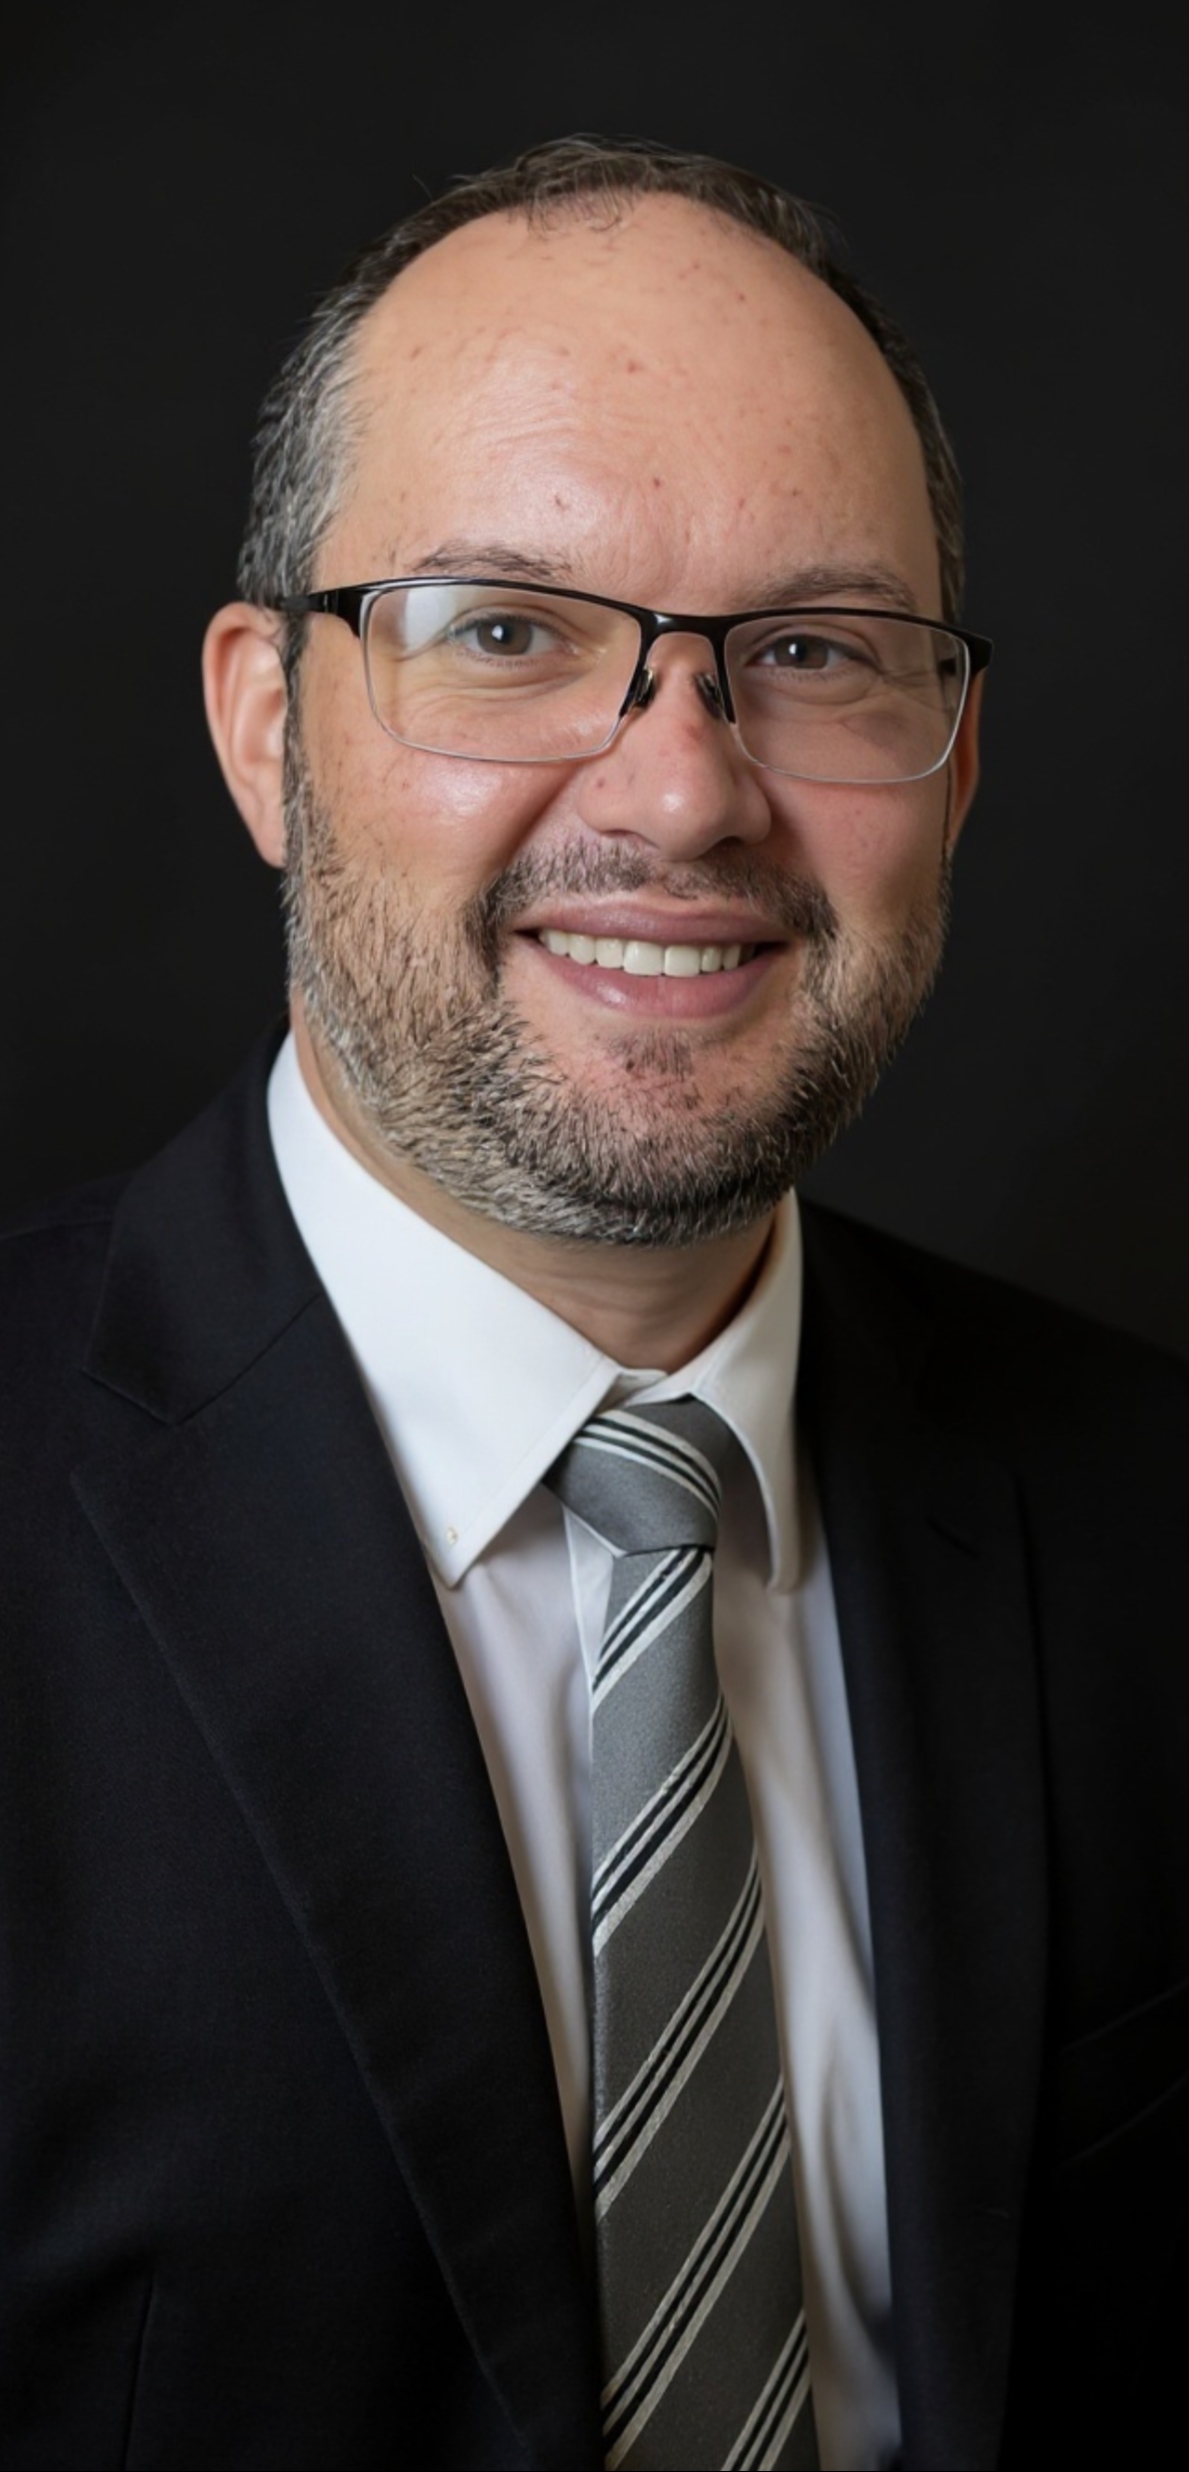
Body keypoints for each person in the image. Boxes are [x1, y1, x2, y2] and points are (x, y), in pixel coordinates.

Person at [1, 135, 1185, 2472]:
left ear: (954, 764)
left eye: (813, 653)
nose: (682, 792)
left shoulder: (1152, 1523)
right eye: (509, 633)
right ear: (266, 726)